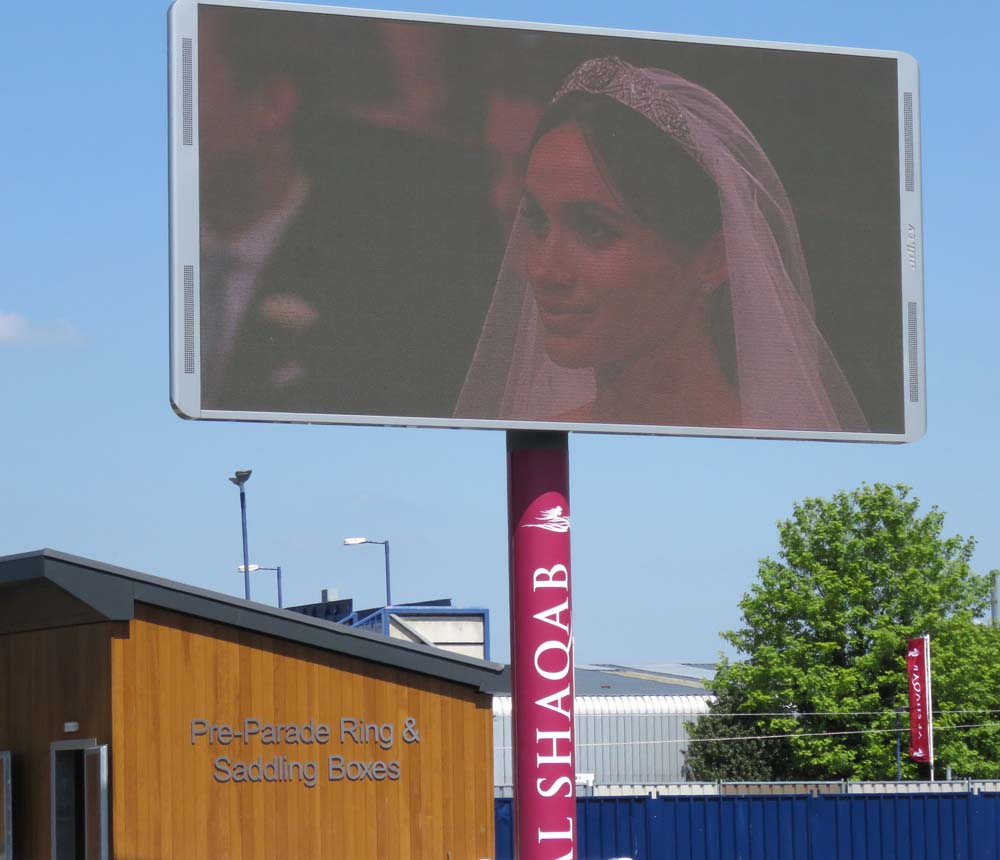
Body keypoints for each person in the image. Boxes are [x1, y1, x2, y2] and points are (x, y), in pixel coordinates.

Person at [455, 56, 869, 433]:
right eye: (539, 222)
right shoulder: (530, 448)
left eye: (595, 231)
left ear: (714, 258)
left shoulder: (789, 463)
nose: (543, 269)